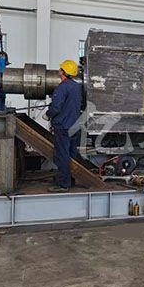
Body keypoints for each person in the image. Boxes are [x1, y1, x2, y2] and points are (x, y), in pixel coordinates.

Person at [44, 60, 82, 193]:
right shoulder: (77, 87)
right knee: (71, 154)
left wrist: (48, 114)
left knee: (62, 155)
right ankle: (70, 180)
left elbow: (56, 107)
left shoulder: (62, 87)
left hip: (63, 126)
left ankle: (63, 184)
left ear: (64, 72)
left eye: (60, 69)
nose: (58, 70)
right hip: (74, 126)